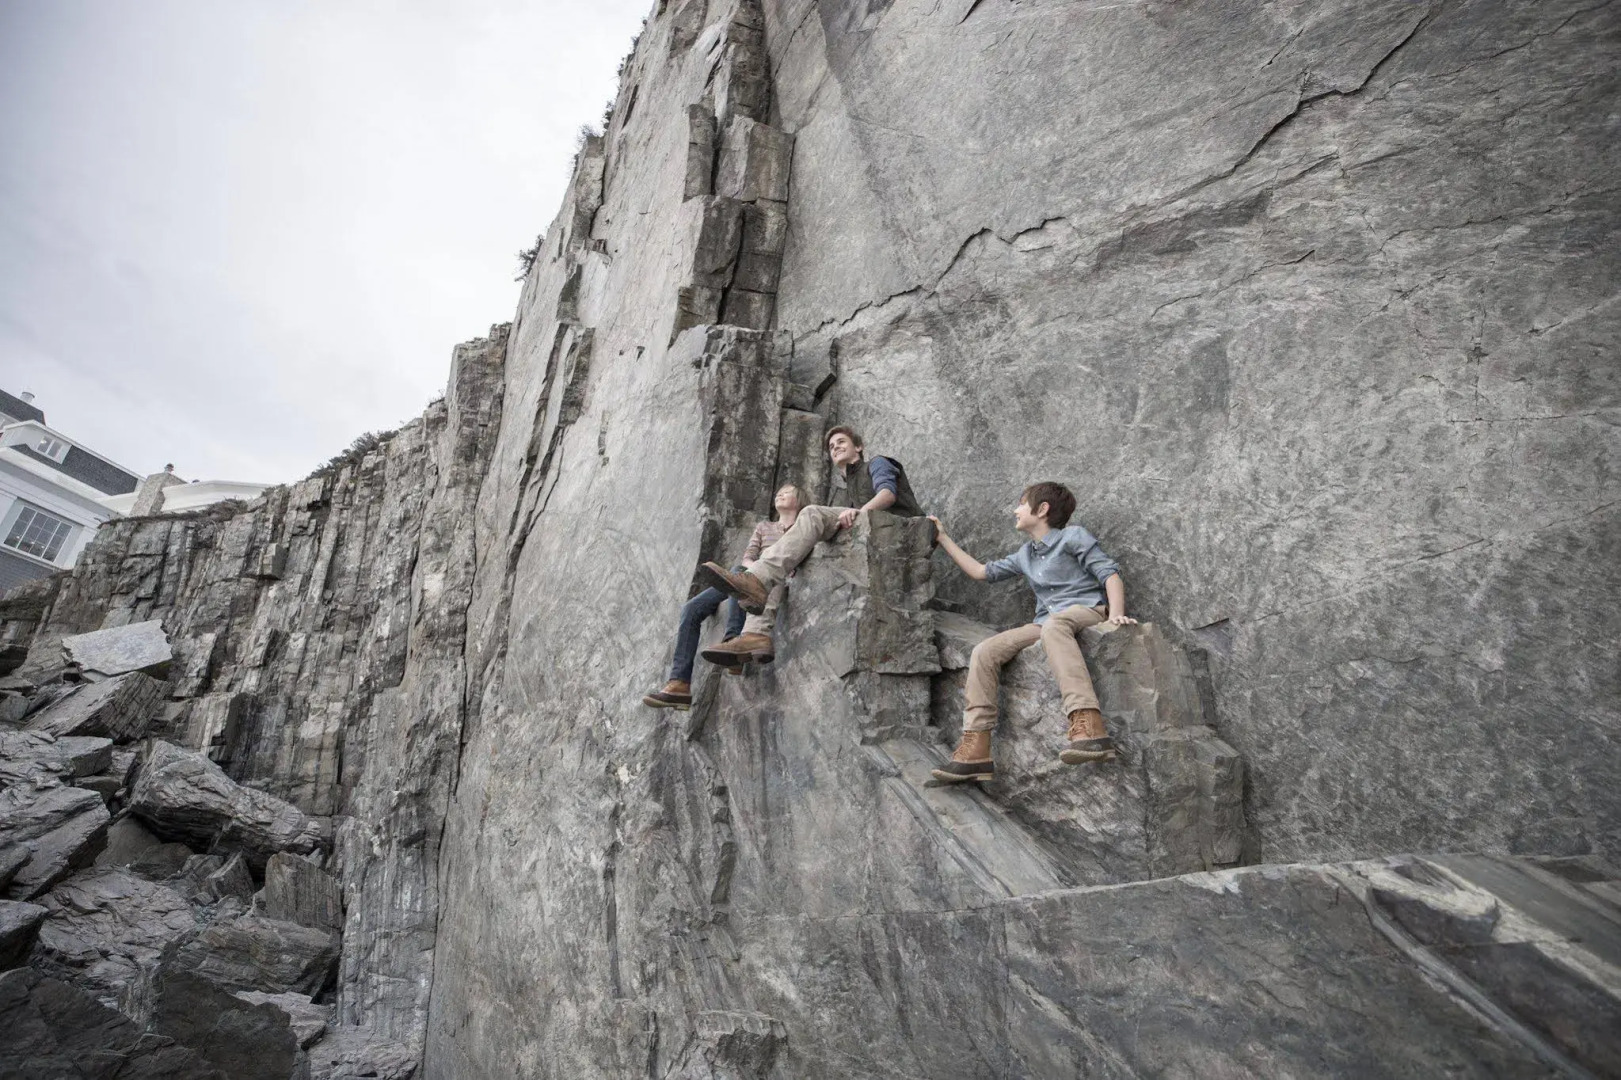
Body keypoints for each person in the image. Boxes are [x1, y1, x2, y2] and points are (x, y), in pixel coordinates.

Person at [927, 482, 1136, 782]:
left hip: (1085, 611)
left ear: (1042, 509)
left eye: (1021, 504)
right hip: (1045, 623)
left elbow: (1110, 575)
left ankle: (1089, 726)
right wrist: (943, 537)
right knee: (984, 651)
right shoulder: (1026, 554)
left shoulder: (1073, 537)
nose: (1015, 510)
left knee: (1054, 626)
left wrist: (1115, 616)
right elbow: (980, 572)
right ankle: (976, 750)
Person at [695, 426, 923, 660]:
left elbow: (887, 494)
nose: (835, 448)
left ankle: (756, 579)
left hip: (901, 526)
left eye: (841, 442)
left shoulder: (877, 463)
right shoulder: (850, 489)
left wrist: (859, 511)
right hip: (873, 527)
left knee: (811, 513)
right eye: (831, 447)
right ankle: (755, 634)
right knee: (781, 564)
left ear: (858, 446)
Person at [643, 484, 805, 710]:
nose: (780, 495)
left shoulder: (802, 527)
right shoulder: (764, 526)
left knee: (738, 575)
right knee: (691, 608)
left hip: (774, 579)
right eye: (778, 493)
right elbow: (749, 556)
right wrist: (754, 569)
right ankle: (679, 683)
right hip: (751, 576)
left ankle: (733, 643)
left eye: (787, 492)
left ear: (799, 500)